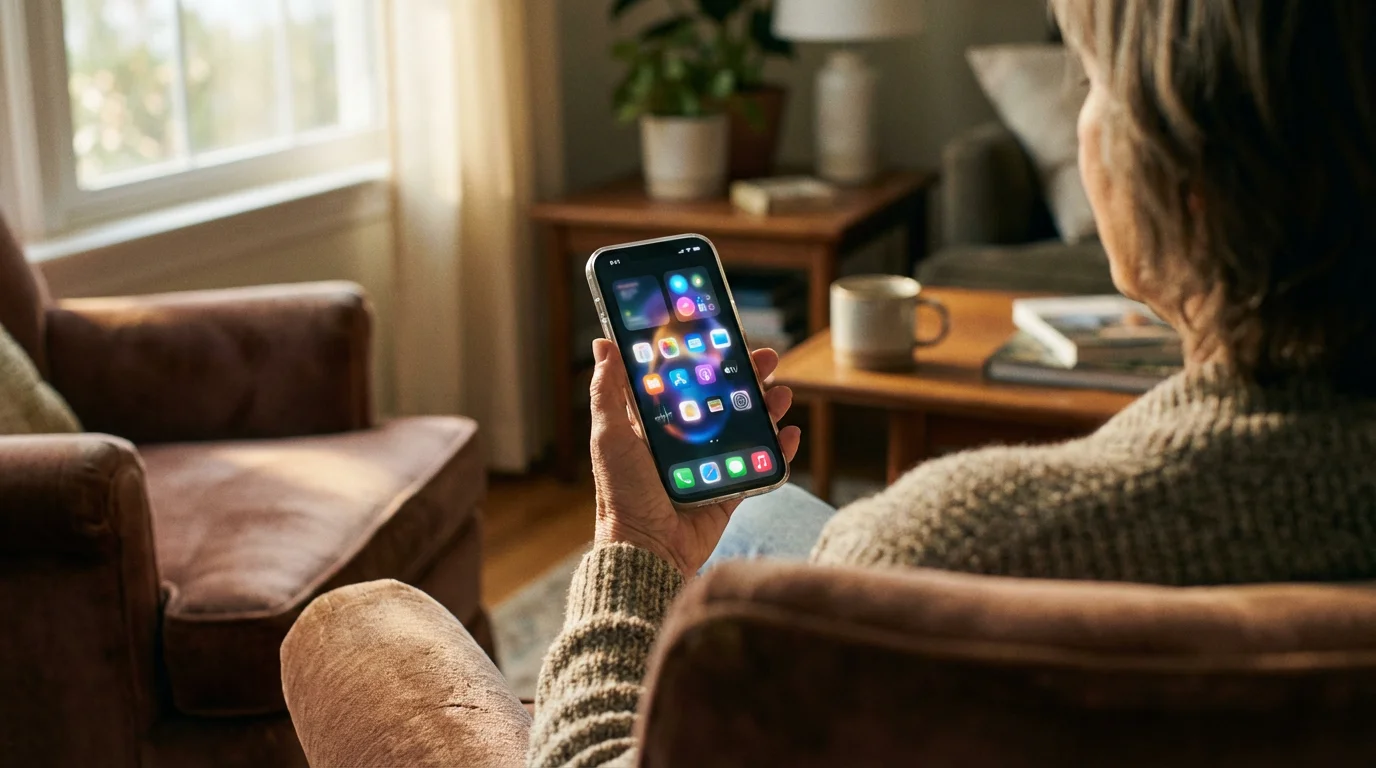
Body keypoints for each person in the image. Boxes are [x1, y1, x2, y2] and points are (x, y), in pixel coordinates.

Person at [529, 1, 1376, 765]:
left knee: (391, 623)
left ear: (1186, 183)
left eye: (1091, 82)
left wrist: (635, 546)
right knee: (770, 510)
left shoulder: (934, 549)